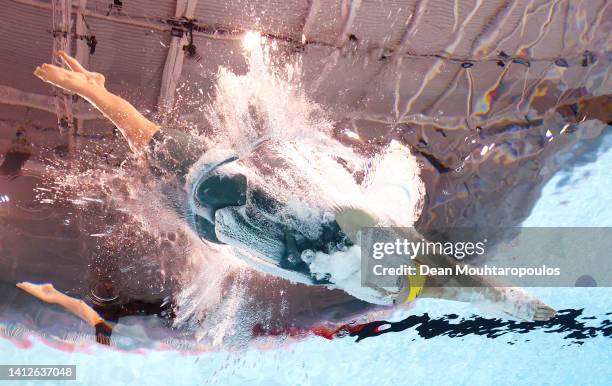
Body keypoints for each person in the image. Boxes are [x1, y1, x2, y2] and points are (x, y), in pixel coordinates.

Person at [30, 51, 556, 322]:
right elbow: (455, 280)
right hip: (251, 207)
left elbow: (466, 287)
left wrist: (520, 305)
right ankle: (96, 91)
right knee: (159, 154)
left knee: (164, 170)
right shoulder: (231, 189)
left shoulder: (356, 256)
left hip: (277, 235)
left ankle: (100, 94)